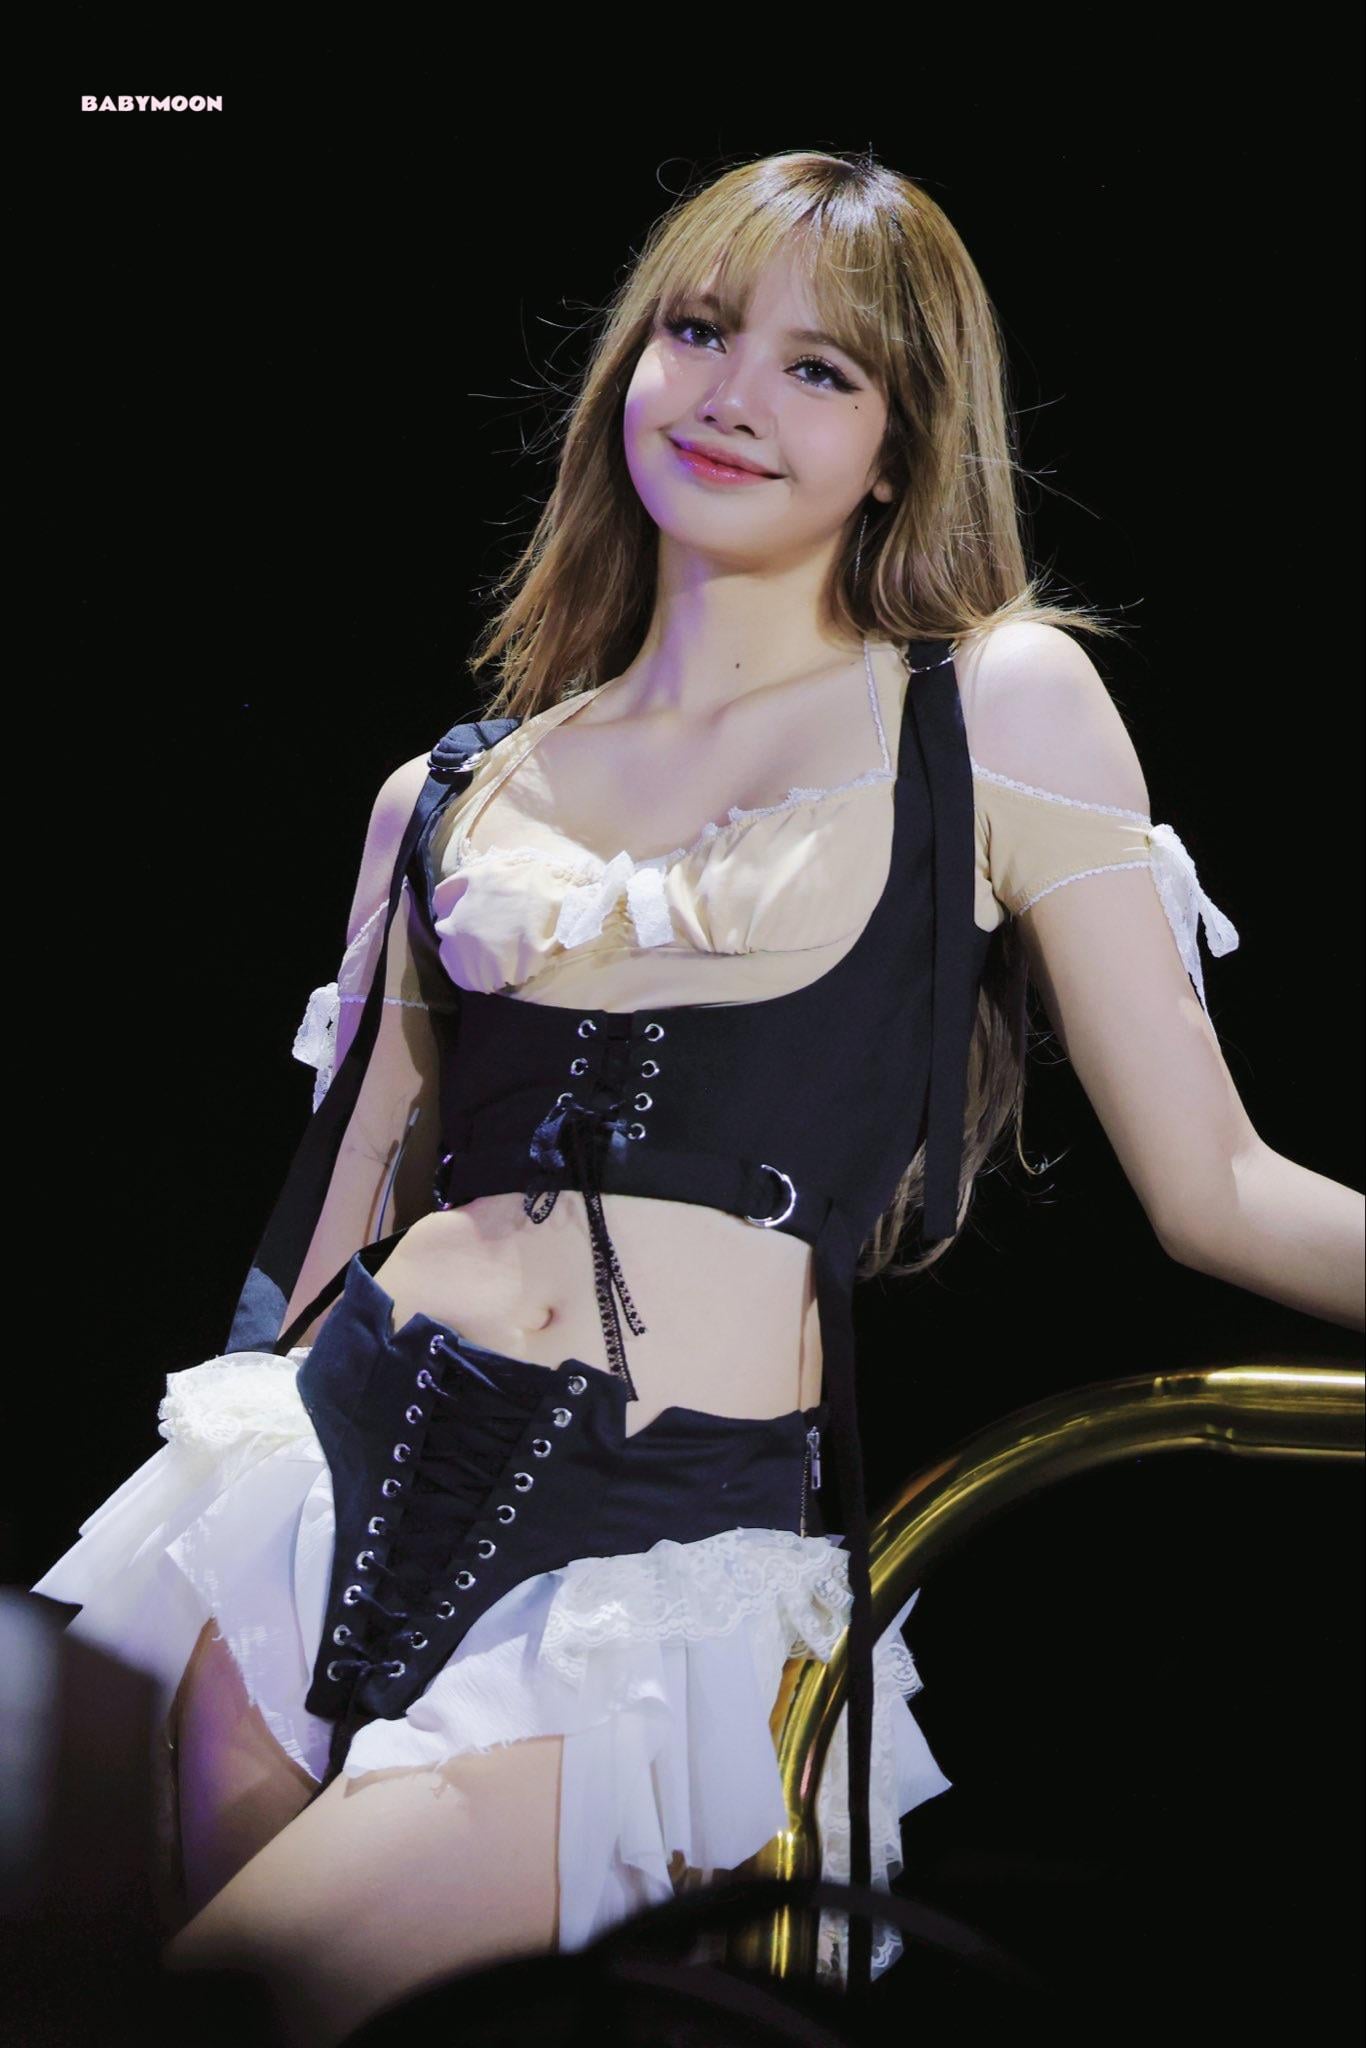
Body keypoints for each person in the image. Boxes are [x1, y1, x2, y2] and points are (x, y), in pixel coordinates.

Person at [31, 149, 1364, 2047]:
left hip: (651, 1565)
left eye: (821, 369)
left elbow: (1219, 1185)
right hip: (304, 1490)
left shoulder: (992, 706)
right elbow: (331, 1230)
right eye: (699, 332)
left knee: (236, 2006)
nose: (737, 394)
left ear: (899, 444)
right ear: (628, 369)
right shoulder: (447, 792)